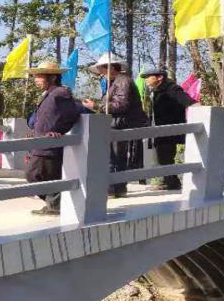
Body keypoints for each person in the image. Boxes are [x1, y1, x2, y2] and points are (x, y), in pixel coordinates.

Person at [83, 54, 147, 198]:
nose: (101, 73)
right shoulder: (116, 82)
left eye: (102, 69)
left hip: (120, 125)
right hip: (117, 124)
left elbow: (120, 105)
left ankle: (113, 188)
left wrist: (95, 106)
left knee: (115, 157)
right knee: (114, 157)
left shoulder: (122, 81)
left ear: (111, 68)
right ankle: (116, 188)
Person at [25, 61, 81, 216]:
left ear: (52, 77)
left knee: (33, 174)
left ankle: (55, 205)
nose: (36, 79)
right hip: (42, 142)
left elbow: (71, 115)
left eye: (39, 76)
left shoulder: (60, 93)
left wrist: (58, 130)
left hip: (49, 144)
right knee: (46, 175)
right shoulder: (50, 93)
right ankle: (54, 205)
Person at [140, 68, 196, 191]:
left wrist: (196, 106)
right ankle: (170, 182)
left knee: (165, 157)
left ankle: (173, 183)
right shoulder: (156, 91)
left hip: (170, 130)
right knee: (163, 157)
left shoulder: (171, 88)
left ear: (159, 77)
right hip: (160, 129)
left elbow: (185, 99)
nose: (146, 80)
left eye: (149, 77)